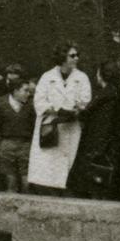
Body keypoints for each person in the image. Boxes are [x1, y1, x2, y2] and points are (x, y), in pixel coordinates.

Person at [28, 42, 92, 194]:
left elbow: (85, 99)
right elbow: (39, 101)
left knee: (67, 161)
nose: (76, 58)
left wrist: (76, 110)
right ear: (62, 58)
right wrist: (55, 110)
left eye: (77, 55)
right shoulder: (47, 77)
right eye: (72, 55)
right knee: (47, 163)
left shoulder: (81, 77)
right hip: (50, 126)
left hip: (70, 126)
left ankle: (63, 191)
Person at [69, 57, 120, 199]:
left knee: (91, 182)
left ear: (102, 74)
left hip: (97, 142)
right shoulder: (115, 92)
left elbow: (88, 114)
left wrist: (81, 109)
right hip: (107, 142)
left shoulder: (105, 94)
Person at [0, 73, 35, 192]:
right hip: (7, 145)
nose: (28, 94)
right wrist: (0, 145)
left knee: (26, 177)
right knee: (10, 178)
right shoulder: (2, 106)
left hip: (25, 145)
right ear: (16, 91)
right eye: (25, 90)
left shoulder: (30, 107)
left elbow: (34, 128)